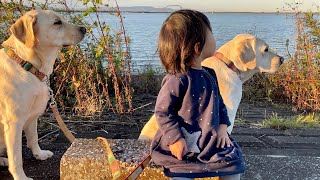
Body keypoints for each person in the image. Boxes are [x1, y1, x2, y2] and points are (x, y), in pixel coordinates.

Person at [150, 9, 245, 180]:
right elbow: (163, 112)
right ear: (197, 47)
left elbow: (219, 104)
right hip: (183, 142)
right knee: (180, 173)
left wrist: (223, 127)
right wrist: (174, 139)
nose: (214, 37)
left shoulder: (210, 74)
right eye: (211, 33)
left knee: (233, 165)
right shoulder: (177, 79)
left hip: (210, 140)